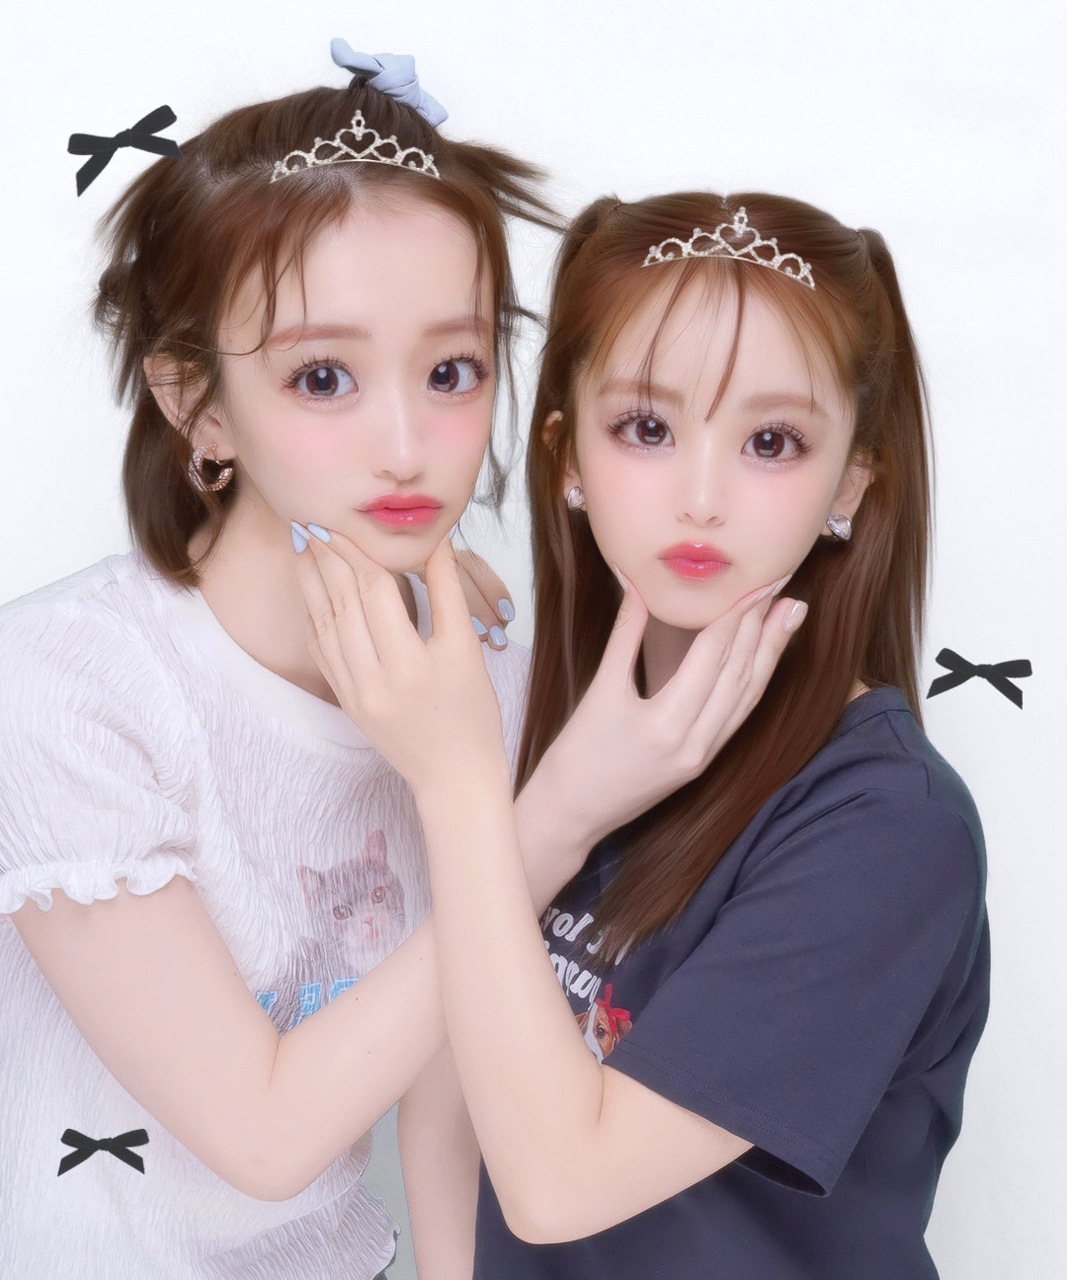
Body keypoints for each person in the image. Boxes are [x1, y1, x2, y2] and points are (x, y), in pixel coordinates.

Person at [299, 191, 990, 1279]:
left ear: (852, 480)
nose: (700, 498)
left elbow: (555, 1185)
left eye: (771, 441)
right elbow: (445, 1095)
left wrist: (457, 781)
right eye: (647, 429)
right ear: (566, 457)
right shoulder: (551, 734)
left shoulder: (887, 826)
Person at [0, 43, 562, 1279]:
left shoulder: (486, 685)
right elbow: (262, 1134)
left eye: (451, 370)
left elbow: (461, 1096)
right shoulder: (68, 686)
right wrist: (545, 816)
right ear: (196, 403)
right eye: (322, 376)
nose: (407, 444)